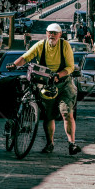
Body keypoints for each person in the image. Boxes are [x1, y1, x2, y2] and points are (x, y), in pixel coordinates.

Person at [11, 23, 81, 155]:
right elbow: (26, 57)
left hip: (64, 84)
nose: (52, 35)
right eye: (50, 32)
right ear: (46, 33)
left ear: (60, 35)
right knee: (48, 116)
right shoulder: (40, 45)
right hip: (46, 85)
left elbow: (70, 67)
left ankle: (72, 144)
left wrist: (58, 75)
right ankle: (50, 144)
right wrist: (14, 65)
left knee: (66, 112)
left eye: (55, 33)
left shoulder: (64, 45)